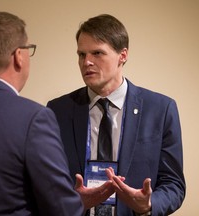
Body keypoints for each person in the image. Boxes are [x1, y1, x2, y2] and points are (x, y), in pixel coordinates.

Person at [0, 11, 116, 216]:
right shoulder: (34, 118)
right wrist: (76, 202)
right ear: (19, 56)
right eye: (29, 49)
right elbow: (63, 210)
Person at [47, 14, 186, 216]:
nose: (87, 62)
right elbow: (47, 181)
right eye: (81, 54)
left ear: (123, 55)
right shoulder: (58, 110)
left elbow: (174, 184)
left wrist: (148, 205)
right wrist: (72, 202)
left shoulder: (161, 109)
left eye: (97, 53)